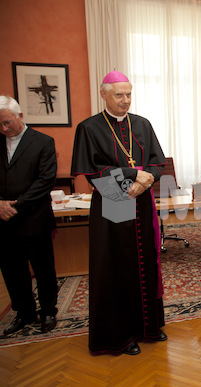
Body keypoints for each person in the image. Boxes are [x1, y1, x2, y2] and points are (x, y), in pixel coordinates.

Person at [71, 71, 167, 355]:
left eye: (128, 94)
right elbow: (92, 171)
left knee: (145, 260)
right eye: (119, 95)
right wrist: (133, 177)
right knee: (118, 265)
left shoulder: (142, 124)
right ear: (103, 94)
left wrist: (147, 178)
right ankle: (121, 336)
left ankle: (149, 327)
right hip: (113, 198)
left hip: (142, 200)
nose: (125, 101)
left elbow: (157, 162)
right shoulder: (89, 128)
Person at [0, 95, 58, 335]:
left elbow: (45, 180)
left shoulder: (43, 142)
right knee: (12, 271)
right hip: (2, 221)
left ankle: (47, 312)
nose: (3, 128)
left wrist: (15, 206)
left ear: (20, 117)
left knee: (43, 269)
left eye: (7, 122)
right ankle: (24, 312)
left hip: (34, 218)